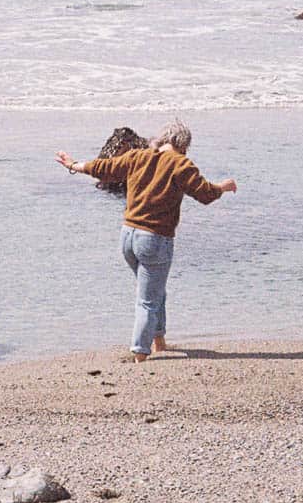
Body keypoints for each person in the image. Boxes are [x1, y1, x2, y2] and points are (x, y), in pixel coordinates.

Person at [55, 120, 237, 362]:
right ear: (183, 144)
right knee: (148, 300)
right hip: (154, 240)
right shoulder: (181, 164)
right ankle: (140, 352)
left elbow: (104, 168)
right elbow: (205, 194)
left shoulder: (137, 157)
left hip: (128, 236)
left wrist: (73, 164)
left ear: (162, 139)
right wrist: (223, 187)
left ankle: (159, 341)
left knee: (154, 291)